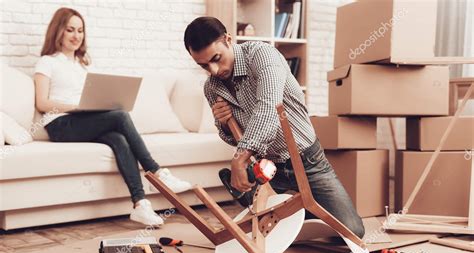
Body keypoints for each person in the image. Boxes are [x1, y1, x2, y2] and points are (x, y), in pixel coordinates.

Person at [184, 17, 365, 239]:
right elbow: (231, 137)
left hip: (306, 160)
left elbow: (269, 108)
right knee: (264, 230)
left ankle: (290, 207)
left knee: (352, 231)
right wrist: (223, 124)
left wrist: (239, 159)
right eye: (203, 66)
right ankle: (270, 201)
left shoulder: (262, 55)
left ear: (228, 40)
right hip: (268, 167)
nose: (213, 70)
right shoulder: (212, 88)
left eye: (216, 59)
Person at [34, 7, 192, 227]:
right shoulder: (47, 62)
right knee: (120, 116)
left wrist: (92, 105)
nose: (76, 35)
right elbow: (41, 103)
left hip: (81, 120)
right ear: (58, 31)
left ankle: (140, 205)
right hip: (60, 124)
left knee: (118, 138)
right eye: (70, 29)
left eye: (80, 30)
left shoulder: (81, 66)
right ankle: (157, 172)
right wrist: (75, 107)